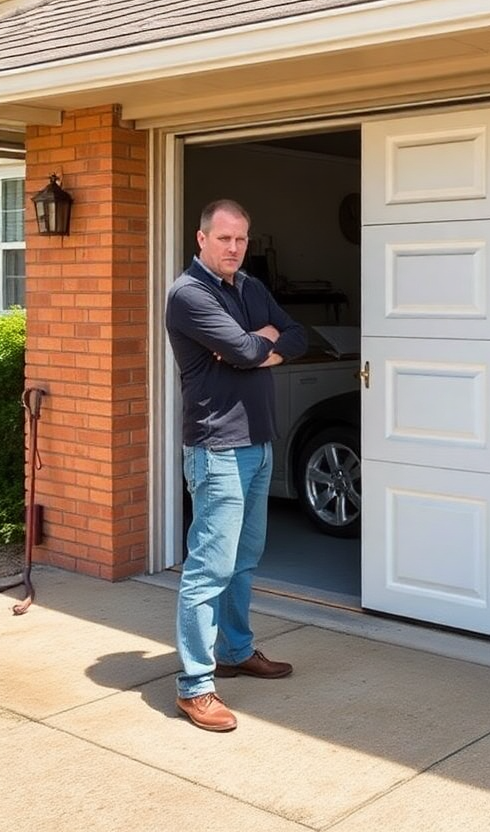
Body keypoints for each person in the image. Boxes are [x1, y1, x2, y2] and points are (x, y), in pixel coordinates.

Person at [165, 199, 308, 732]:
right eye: (224, 238)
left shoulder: (248, 287)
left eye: (241, 238)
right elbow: (246, 350)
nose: (233, 248)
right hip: (216, 447)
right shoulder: (189, 294)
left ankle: (236, 650)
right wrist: (255, 344)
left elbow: (294, 334)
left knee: (245, 561)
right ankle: (195, 686)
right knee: (208, 568)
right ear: (201, 239)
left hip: (258, 442)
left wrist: (261, 342)